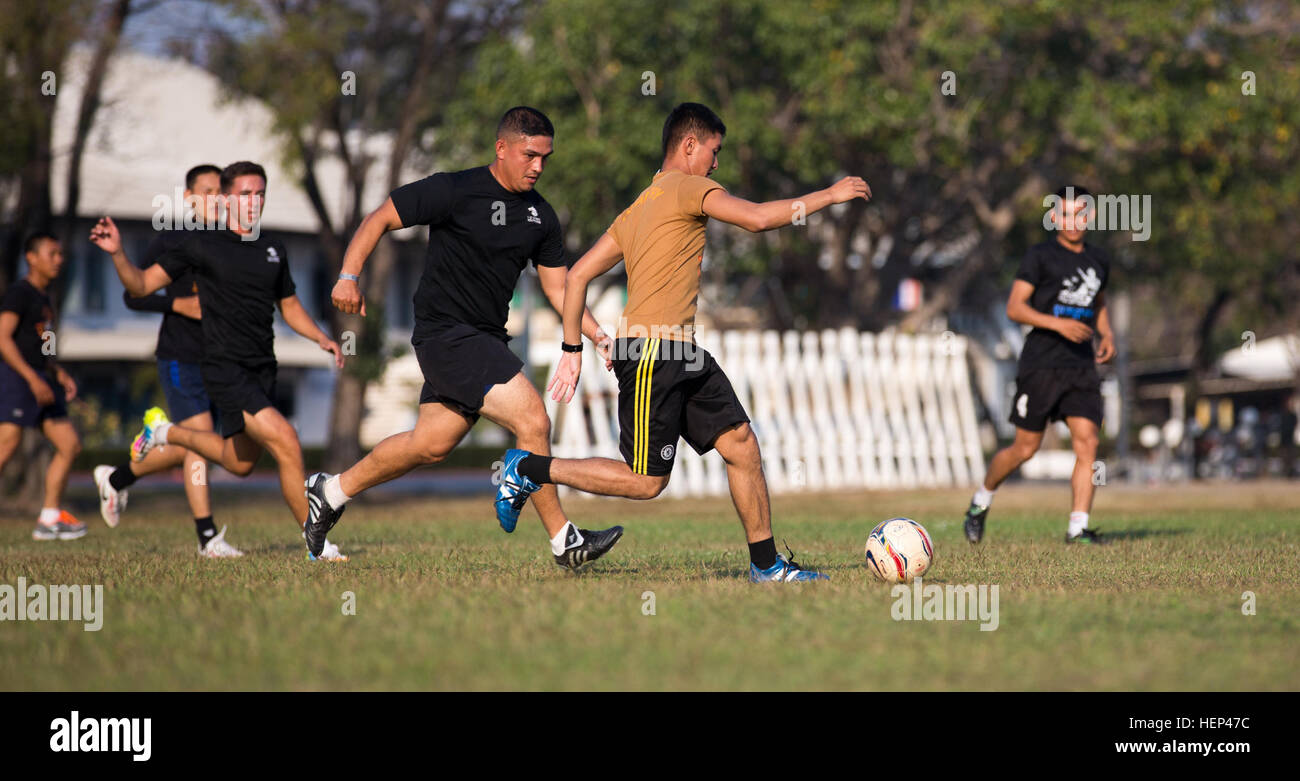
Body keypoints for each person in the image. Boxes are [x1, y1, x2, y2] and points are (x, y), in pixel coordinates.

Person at [500, 102, 872, 582]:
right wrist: (830, 194)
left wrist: (574, 348)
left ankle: (767, 567)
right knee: (647, 481)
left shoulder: (640, 205)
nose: (716, 164)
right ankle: (528, 467)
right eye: (714, 152)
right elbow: (757, 220)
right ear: (689, 145)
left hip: (679, 352)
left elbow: (577, 278)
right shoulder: (687, 187)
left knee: (741, 443)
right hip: (654, 354)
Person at [304, 106, 623, 571]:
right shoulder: (454, 190)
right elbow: (378, 219)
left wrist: (595, 335)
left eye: (545, 158)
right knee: (533, 419)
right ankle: (564, 540)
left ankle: (330, 491)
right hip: (445, 334)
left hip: (487, 338)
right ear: (502, 148)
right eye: (529, 155)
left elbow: (559, 288)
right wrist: (348, 275)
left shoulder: (541, 217)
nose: (538, 166)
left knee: (430, 444)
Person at [89, 161, 349, 560]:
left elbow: (290, 306)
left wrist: (321, 338)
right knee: (286, 440)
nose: (253, 202)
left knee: (238, 462)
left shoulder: (272, 247)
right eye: (244, 195)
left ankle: (164, 434)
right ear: (226, 199)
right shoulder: (199, 244)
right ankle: (316, 544)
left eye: (260, 194)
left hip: (264, 367)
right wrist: (118, 253)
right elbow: (139, 286)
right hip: (224, 367)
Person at [92, 164, 243, 557]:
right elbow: (133, 294)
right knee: (201, 439)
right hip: (181, 357)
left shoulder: (236, 241)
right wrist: (179, 304)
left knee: (209, 443)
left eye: (220, 191)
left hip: (222, 360)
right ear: (190, 198)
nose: (215, 199)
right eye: (206, 191)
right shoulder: (174, 239)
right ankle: (208, 538)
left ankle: (118, 476)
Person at [963, 185, 1115, 545]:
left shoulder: (1099, 260)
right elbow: (1014, 307)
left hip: (1080, 367)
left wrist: (1107, 335)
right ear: (1054, 218)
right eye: (1064, 214)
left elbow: (1100, 302)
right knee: (1024, 449)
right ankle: (980, 501)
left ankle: (1078, 528)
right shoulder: (1040, 256)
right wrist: (1057, 323)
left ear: (1090, 216)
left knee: (1088, 443)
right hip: (1041, 365)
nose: (1072, 220)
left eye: (1079, 213)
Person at [0, 233, 85, 540]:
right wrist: (32, 378)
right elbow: (3, 338)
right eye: (52, 253)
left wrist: (57, 371)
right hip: (18, 376)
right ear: (31, 258)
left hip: (41, 377)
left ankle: (49, 518)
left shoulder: (45, 299)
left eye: (60, 254)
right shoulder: (18, 293)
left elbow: (45, 343)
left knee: (69, 444)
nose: (59, 260)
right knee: (7, 444)